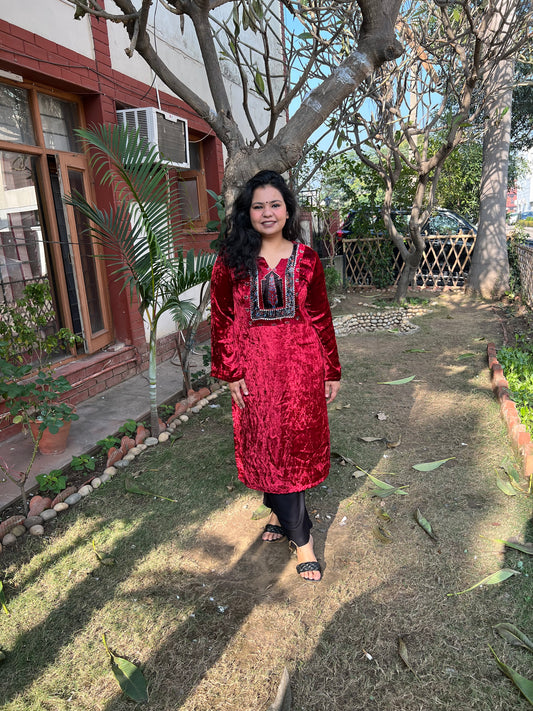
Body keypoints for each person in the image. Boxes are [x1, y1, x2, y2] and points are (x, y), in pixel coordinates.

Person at [210, 170, 341, 582]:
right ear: (247, 214)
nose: (267, 213)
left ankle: (299, 537)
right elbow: (223, 320)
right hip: (256, 372)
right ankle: (292, 525)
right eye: (258, 206)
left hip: (301, 369)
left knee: (294, 447)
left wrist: (331, 370)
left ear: (288, 211)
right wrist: (230, 370)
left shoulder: (307, 260)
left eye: (275, 205)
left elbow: (320, 318)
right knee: (269, 445)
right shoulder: (231, 262)